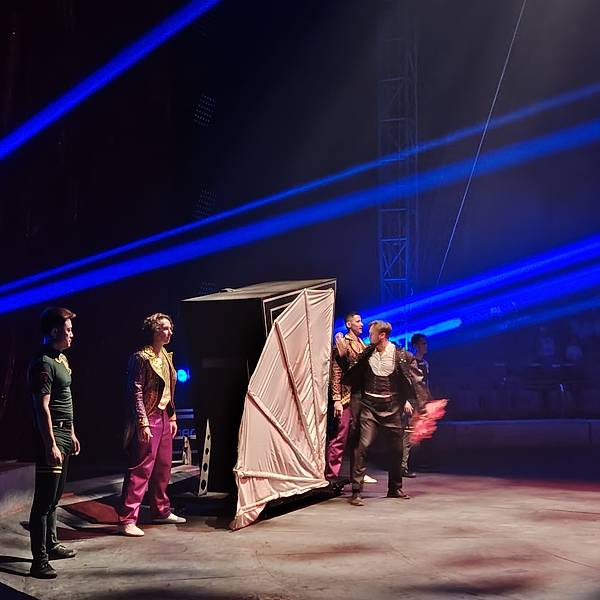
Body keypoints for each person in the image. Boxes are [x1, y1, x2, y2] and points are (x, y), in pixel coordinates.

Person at [336, 320, 431, 506]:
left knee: (396, 449)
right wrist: (340, 356)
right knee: (363, 446)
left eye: (372, 333)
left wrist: (422, 407)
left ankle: (394, 488)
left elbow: (416, 380)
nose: (369, 336)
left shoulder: (401, 355)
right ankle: (356, 491)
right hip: (369, 407)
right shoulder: (367, 353)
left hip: (392, 408)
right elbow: (350, 369)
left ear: (381, 336)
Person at [117, 313, 186, 536]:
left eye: (170, 328)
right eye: (165, 328)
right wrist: (142, 423)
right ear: (155, 331)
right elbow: (135, 392)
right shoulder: (140, 358)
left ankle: (160, 510)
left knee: (163, 467)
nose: (170, 332)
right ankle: (127, 518)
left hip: (163, 416)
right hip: (148, 418)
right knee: (141, 469)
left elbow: (169, 390)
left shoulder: (165, 355)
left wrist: (172, 417)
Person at [27, 307, 80, 579]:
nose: (72, 335)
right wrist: (51, 444)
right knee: (44, 500)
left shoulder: (61, 360)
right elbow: (42, 407)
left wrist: (71, 433)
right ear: (54, 331)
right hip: (52, 436)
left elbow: (65, 400)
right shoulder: (43, 363)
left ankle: (51, 543)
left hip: (63, 435)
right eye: (68, 330)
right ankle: (39, 561)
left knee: (55, 498)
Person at [326, 312, 377, 486]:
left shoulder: (363, 344)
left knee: (360, 437)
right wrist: (336, 399)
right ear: (349, 324)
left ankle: (358, 473)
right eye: (358, 321)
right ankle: (331, 476)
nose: (361, 324)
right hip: (347, 397)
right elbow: (336, 372)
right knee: (340, 436)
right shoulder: (343, 343)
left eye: (361, 321)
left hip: (361, 396)